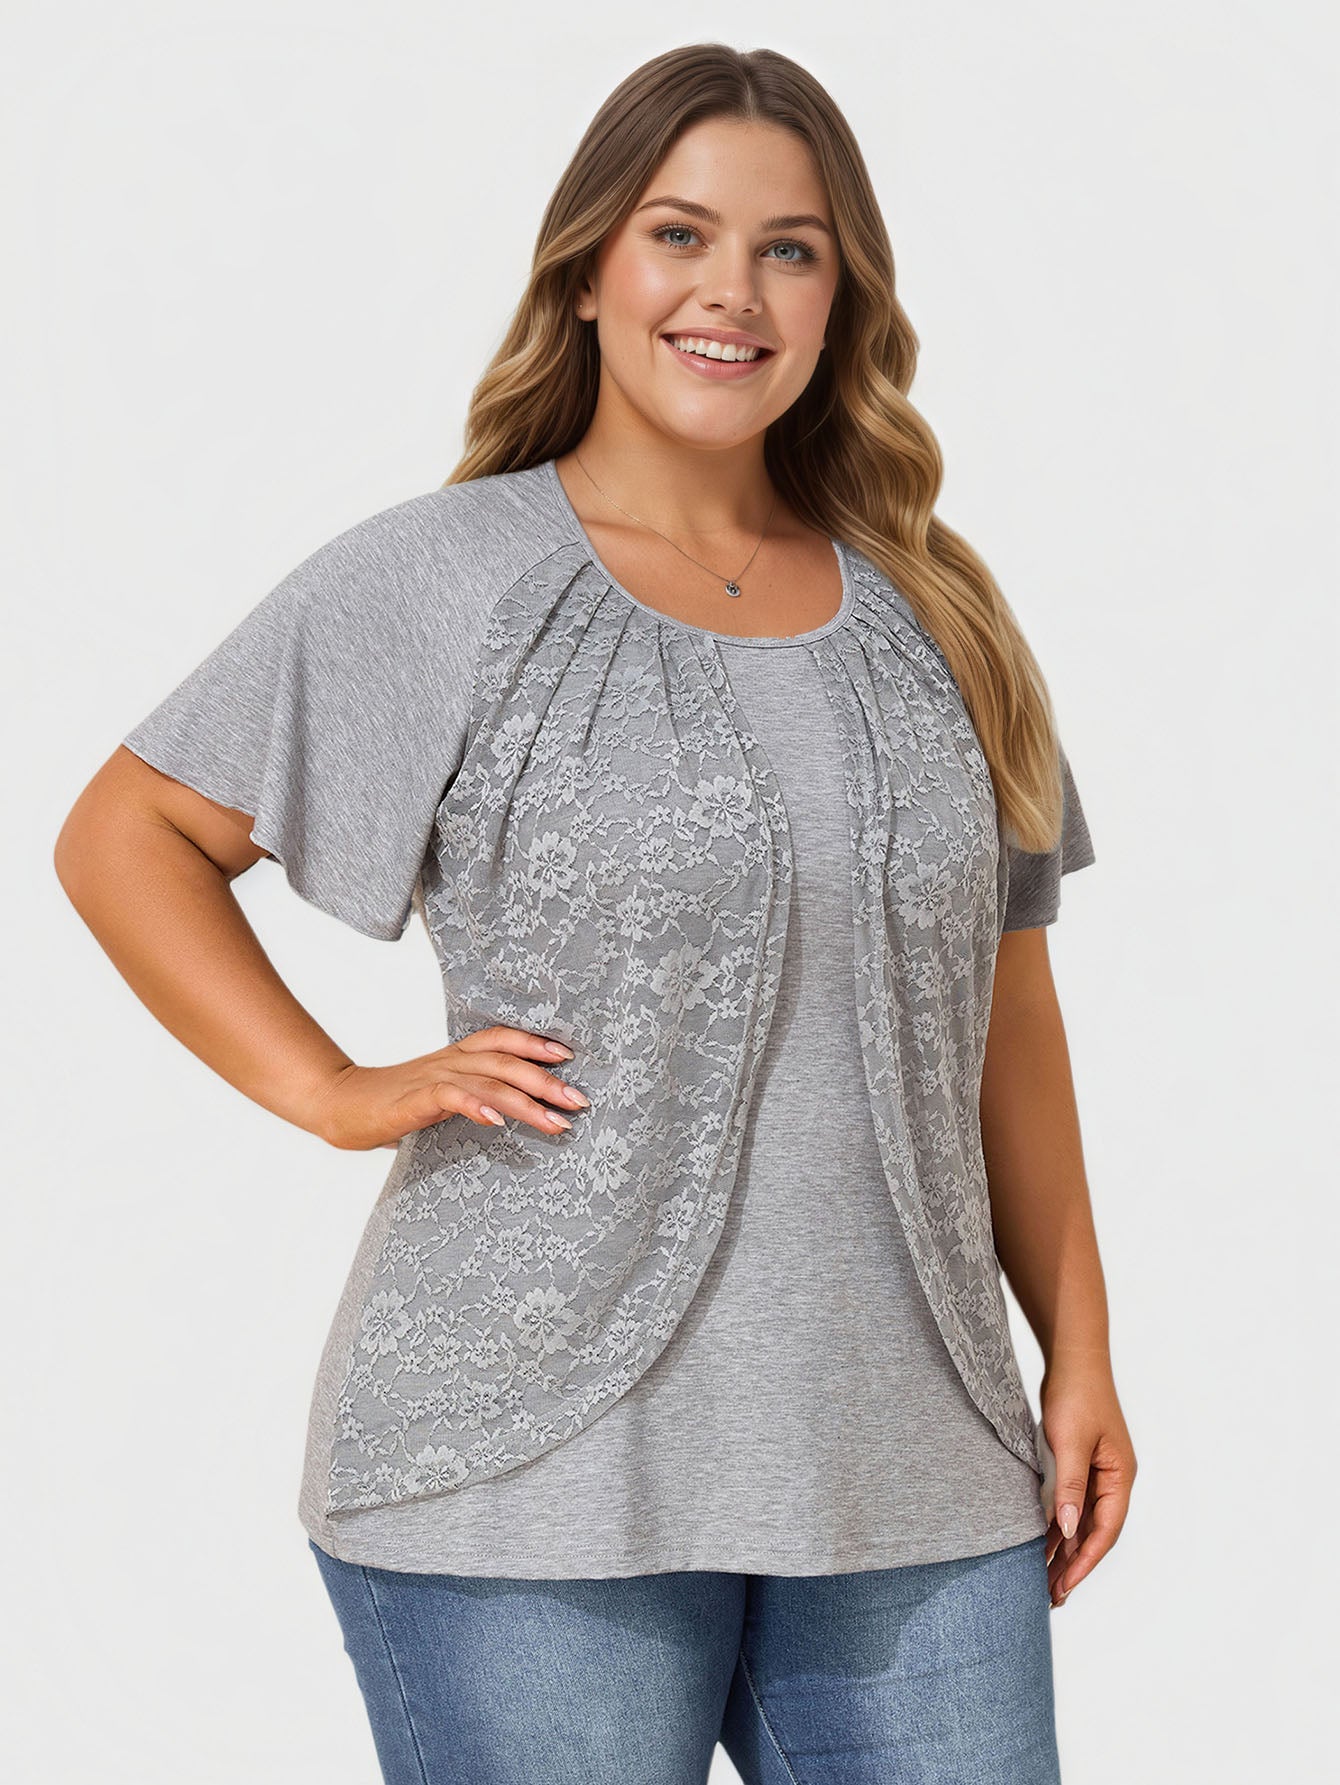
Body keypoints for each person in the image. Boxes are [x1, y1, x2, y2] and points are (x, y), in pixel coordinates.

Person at [54, 41, 1136, 1785]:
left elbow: (1003, 1017)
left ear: (843, 294)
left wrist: (1078, 1352)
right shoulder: (443, 577)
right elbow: (129, 834)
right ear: (587, 270)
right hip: (522, 1477)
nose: (732, 291)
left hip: (916, 1463)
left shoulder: (941, 616)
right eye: (678, 234)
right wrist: (333, 1089)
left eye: (790, 248)